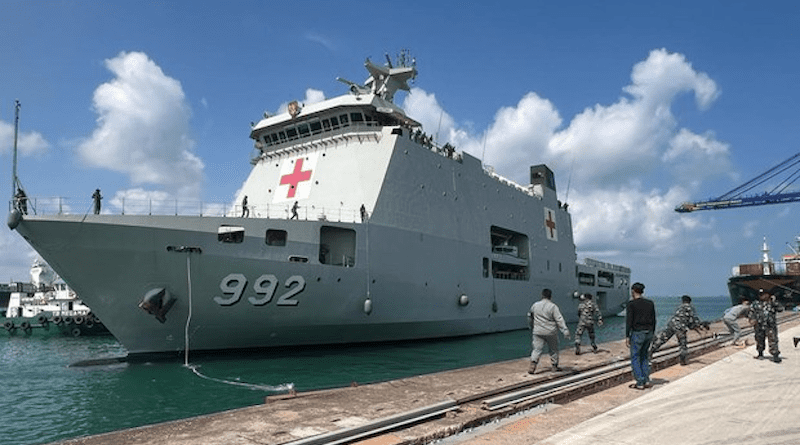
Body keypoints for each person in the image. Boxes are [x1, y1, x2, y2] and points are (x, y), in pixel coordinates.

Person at [650, 295, 708, 366]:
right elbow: (694, 321)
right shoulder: (690, 308)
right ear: (690, 301)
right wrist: (701, 326)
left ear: (682, 301)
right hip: (680, 327)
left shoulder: (679, 307)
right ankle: (682, 360)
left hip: (671, 325)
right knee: (682, 344)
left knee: (662, 340)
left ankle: (650, 353)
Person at [527, 288, 571, 374]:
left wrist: (531, 326)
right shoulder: (553, 306)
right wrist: (565, 330)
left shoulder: (535, 305)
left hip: (538, 331)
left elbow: (529, 316)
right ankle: (554, 366)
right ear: (550, 296)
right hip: (550, 332)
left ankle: (533, 365)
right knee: (553, 350)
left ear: (542, 295)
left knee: (536, 349)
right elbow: (559, 319)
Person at [626, 282, 656, 389]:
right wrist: (652, 332)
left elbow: (629, 321)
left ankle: (639, 382)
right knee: (644, 356)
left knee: (635, 357)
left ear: (633, 291)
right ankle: (646, 380)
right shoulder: (650, 303)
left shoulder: (631, 304)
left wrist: (627, 336)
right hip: (648, 332)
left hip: (637, 333)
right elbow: (654, 320)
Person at [749, 290, 782, 363]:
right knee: (759, 339)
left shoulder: (772, 303)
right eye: (760, 294)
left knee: (773, 339)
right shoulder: (755, 304)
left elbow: (780, 309)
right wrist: (752, 320)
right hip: (759, 325)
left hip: (770, 325)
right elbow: (751, 313)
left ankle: (775, 355)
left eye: (764, 294)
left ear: (768, 294)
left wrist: (774, 301)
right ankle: (760, 353)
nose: (762, 296)